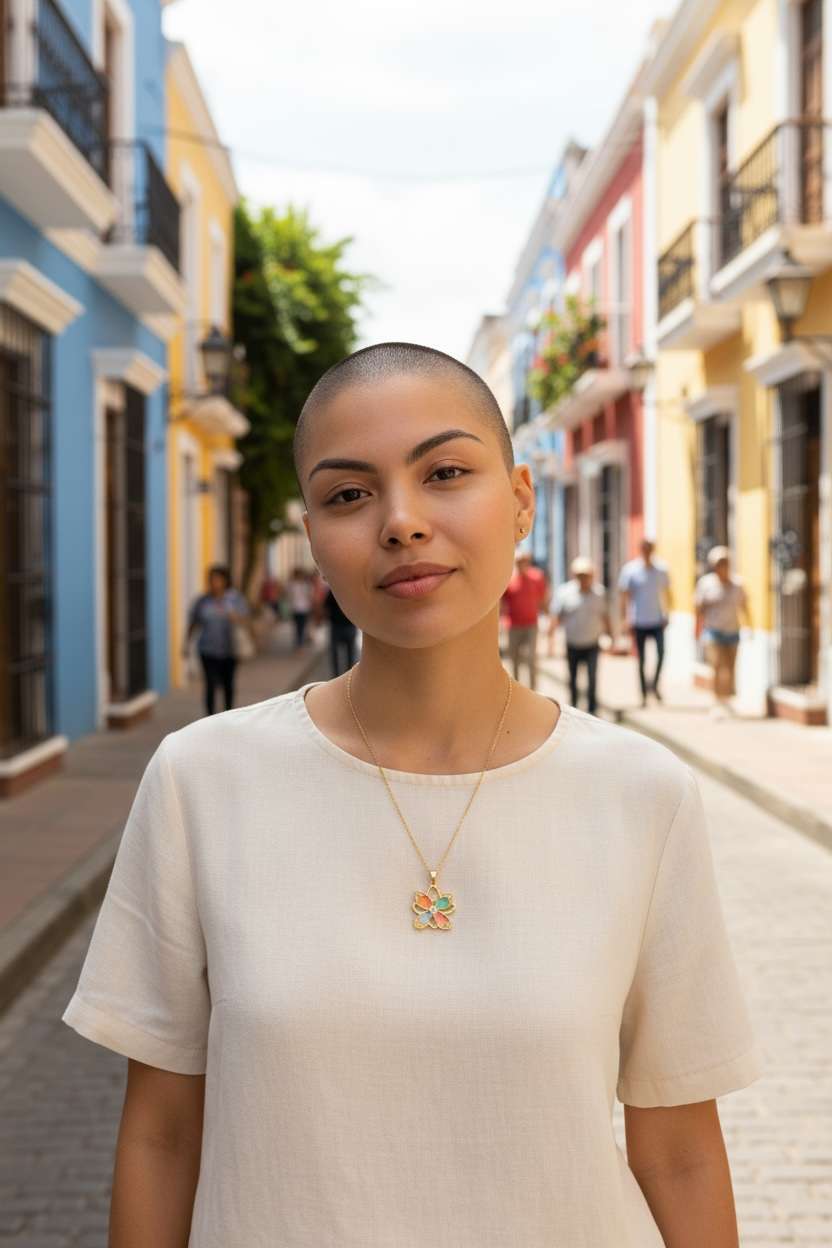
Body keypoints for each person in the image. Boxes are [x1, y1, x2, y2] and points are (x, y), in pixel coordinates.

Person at [65, 343, 762, 1248]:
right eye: (349, 494)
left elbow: (678, 1153)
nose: (401, 522)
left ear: (519, 500)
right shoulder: (203, 781)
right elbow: (162, 1134)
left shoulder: (642, 795)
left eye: (445, 473)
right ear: (313, 536)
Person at [183, 565, 251, 716]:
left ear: (225, 580)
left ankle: (228, 715)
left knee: (228, 684)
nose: (213, 582)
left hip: (229, 649)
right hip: (207, 649)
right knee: (210, 683)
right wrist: (186, 644)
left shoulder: (235, 599)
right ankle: (210, 717)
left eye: (217, 579)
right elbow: (193, 622)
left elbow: (248, 621)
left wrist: (238, 617)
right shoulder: (202, 601)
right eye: (211, 579)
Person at [695, 546, 752, 718]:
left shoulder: (738, 584)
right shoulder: (706, 584)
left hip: (733, 631)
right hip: (713, 632)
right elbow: (698, 608)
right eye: (719, 563)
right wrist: (696, 630)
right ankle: (717, 700)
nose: (722, 566)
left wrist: (749, 626)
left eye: (725, 562)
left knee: (730, 669)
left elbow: (745, 606)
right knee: (718, 666)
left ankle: (726, 700)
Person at [551, 556, 612, 716]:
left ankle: (592, 709)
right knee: (572, 678)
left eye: (586, 575)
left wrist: (611, 637)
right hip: (572, 643)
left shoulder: (599, 593)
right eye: (580, 575)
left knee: (592, 678)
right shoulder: (565, 592)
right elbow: (556, 616)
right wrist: (551, 639)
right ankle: (574, 708)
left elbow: (605, 616)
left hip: (592, 643)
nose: (583, 579)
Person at [619, 538, 672, 706]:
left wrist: (667, 613)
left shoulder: (661, 569)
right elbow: (625, 596)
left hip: (656, 619)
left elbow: (667, 592)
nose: (648, 552)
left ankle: (654, 684)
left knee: (661, 653)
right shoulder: (631, 570)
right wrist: (625, 618)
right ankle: (643, 694)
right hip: (639, 620)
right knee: (641, 659)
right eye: (645, 548)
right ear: (641, 550)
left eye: (650, 548)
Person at [502, 551, 548, 689]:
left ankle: (533, 691)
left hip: (531, 624)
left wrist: (548, 618)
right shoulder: (509, 579)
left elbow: (543, 599)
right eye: (520, 561)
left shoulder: (537, 577)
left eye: (525, 561)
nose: (523, 564)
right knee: (514, 659)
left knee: (531, 659)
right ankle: (515, 689)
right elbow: (502, 603)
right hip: (513, 625)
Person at [324, 583, 358, 676]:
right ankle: (342, 676)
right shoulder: (333, 592)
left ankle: (347, 676)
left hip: (345, 626)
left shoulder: (336, 591)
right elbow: (327, 607)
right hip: (340, 626)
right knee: (345, 654)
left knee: (347, 654)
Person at [288, 566, 315, 650]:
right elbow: (291, 597)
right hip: (297, 609)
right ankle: (299, 643)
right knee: (298, 627)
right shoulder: (293, 585)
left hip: (304, 608)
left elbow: (310, 596)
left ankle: (300, 643)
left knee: (302, 626)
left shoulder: (306, 585)